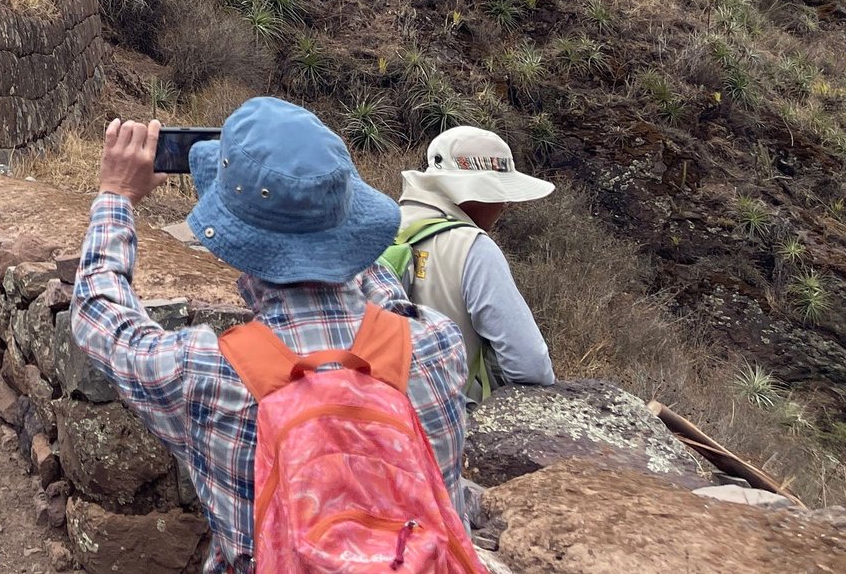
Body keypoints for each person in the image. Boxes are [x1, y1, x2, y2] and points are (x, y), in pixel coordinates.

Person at [73, 100, 472, 572]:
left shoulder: (205, 372)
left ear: (235, 236)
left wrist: (116, 195)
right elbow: (384, 299)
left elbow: (99, 315)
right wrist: (325, 210)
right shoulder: (436, 346)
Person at [387, 126, 557, 403]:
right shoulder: (473, 248)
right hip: (449, 419)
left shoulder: (383, 228)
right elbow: (531, 366)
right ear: (473, 191)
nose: (504, 203)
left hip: (378, 412)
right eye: (498, 192)